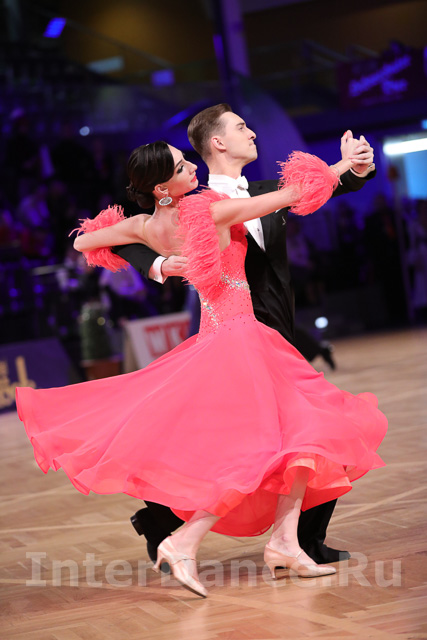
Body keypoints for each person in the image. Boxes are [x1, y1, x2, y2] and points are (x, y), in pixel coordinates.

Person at [16, 141, 387, 598]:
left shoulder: (144, 225)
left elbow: (83, 240)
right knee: (265, 448)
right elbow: (288, 195)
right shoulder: (208, 210)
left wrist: (158, 263)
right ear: (162, 188)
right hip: (240, 342)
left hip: (222, 337)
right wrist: (344, 164)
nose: (191, 167)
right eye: (180, 166)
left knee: (303, 435)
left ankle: (286, 542)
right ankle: (183, 541)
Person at [114, 104, 376, 566]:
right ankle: (168, 522)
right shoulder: (190, 202)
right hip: (231, 340)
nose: (252, 133)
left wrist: (354, 167)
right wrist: (157, 264)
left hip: (276, 332)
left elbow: (314, 189)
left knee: (307, 433)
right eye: (241, 127)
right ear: (218, 142)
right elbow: (122, 236)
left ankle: (299, 541)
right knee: (261, 437)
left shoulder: (261, 191)